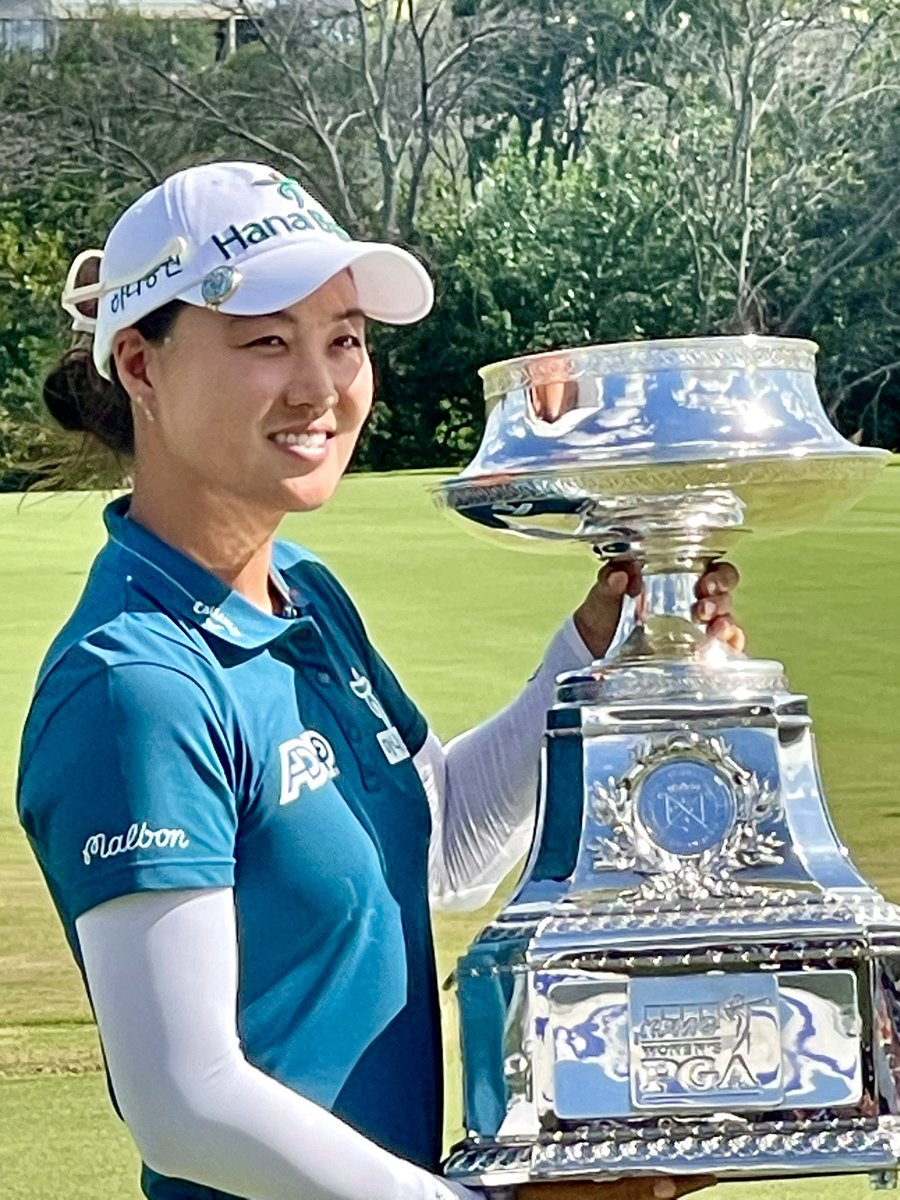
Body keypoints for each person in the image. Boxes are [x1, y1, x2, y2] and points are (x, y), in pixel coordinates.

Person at [16, 161, 742, 1200]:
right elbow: (185, 1101)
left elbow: (434, 849)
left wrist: (595, 662)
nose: (322, 386)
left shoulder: (305, 598)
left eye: (344, 338)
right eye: (267, 340)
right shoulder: (135, 684)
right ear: (140, 364)